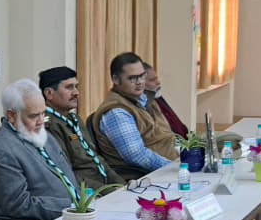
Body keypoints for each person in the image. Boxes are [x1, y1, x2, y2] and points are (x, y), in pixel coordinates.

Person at [0, 79, 81, 220]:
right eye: (34, 116)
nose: (41, 121)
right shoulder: (2, 151)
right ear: (12, 116)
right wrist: (71, 207)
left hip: (70, 219)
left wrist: (85, 202)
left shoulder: (42, 134)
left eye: (43, 113)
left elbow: (67, 177)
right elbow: (19, 205)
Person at [91, 52, 179, 181]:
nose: (140, 82)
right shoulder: (116, 112)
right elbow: (137, 156)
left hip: (170, 168)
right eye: (132, 78)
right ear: (116, 79)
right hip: (146, 178)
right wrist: (174, 167)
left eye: (142, 76)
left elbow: (166, 136)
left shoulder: (144, 100)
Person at [39, 66, 122, 191]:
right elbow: (66, 172)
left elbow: (95, 157)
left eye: (76, 87)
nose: (76, 93)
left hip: (103, 185)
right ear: (49, 93)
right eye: (69, 87)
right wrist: (108, 191)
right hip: (86, 192)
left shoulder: (74, 119)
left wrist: (121, 185)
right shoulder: (48, 126)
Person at [143, 62, 189, 138]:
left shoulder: (158, 98)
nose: (158, 82)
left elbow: (178, 125)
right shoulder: (145, 106)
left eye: (156, 78)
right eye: (152, 80)